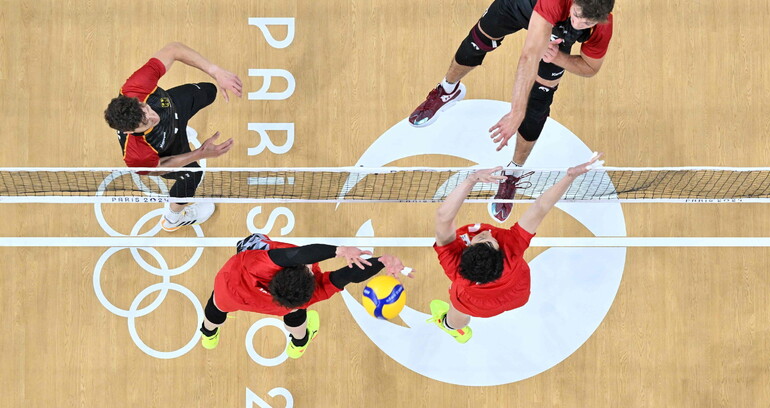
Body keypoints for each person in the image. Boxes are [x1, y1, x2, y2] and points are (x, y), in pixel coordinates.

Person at [408, 0, 614, 221]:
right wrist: (516, 112)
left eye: (586, 22)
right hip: (524, 5)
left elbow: (590, 68)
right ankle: (448, 89)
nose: (578, 23)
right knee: (478, 41)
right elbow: (529, 55)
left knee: (540, 100)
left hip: (557, 39)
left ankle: (513, 170)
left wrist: (559, 57)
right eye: (576, 15)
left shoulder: (602, 24)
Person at [429, 153, 604, 343]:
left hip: (479, 302)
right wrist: (570, 176)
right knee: (457, 295)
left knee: (458, 309)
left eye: (483, 237)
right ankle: (453, 325)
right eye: (487, 239)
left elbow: (443, 217)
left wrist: (472, 179)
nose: (488, 233)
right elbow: (540, 208)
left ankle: (450, 326)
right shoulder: (511, 250)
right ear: (500, 255)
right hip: (516, 293)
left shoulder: (454, 267)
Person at [200, 234, 414, 358]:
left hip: (232, 289)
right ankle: (299, 343)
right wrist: (381, 261)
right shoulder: (310, 295)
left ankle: (208, 335)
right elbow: (347, 276)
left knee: (216, 308)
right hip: (279, 305)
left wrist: (341, 251)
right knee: (296, 314)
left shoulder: (257, 264)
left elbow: (300, 254)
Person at [104, 42, 243, 231]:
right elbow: (160, 168)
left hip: (173, 107)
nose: (154, 117)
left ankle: (180, 128)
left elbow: (174, 50)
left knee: (210, 91)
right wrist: (199, 154)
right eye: (147, 122)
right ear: (129, 132)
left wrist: (215, 71)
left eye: (146, 109)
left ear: (138, 101)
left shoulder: (136, 87)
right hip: (166, 149)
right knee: (192, 175)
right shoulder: (136, 153)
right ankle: (173, 219)